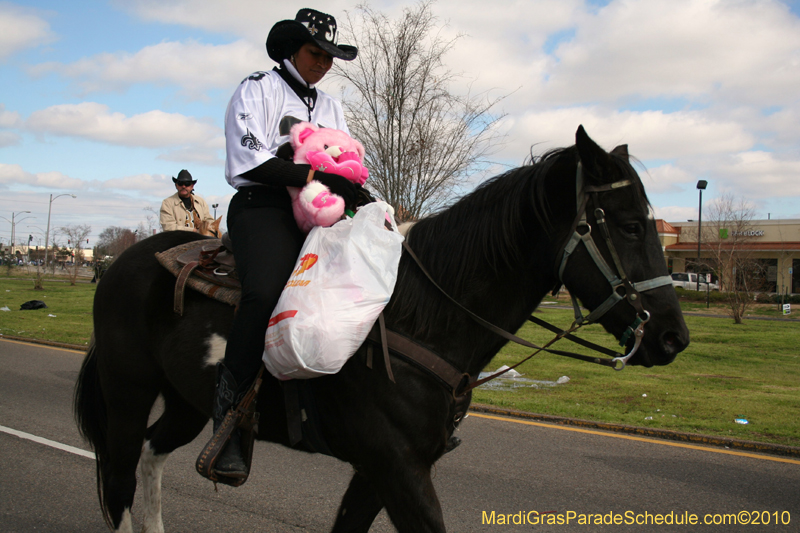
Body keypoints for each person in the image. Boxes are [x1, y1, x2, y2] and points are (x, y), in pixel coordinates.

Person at [200, 9, 360, 485]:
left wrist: (358, 194)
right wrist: (313, 175)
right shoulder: (257, 88)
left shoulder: (332, 106)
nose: (324, 64)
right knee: (267, 290)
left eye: (331, 58)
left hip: (321, 208)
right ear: (293, 48)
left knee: (363, 284)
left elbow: (346, 162)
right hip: (263, 204)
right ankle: (229, 419)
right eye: (316, 53)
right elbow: (248, 157)